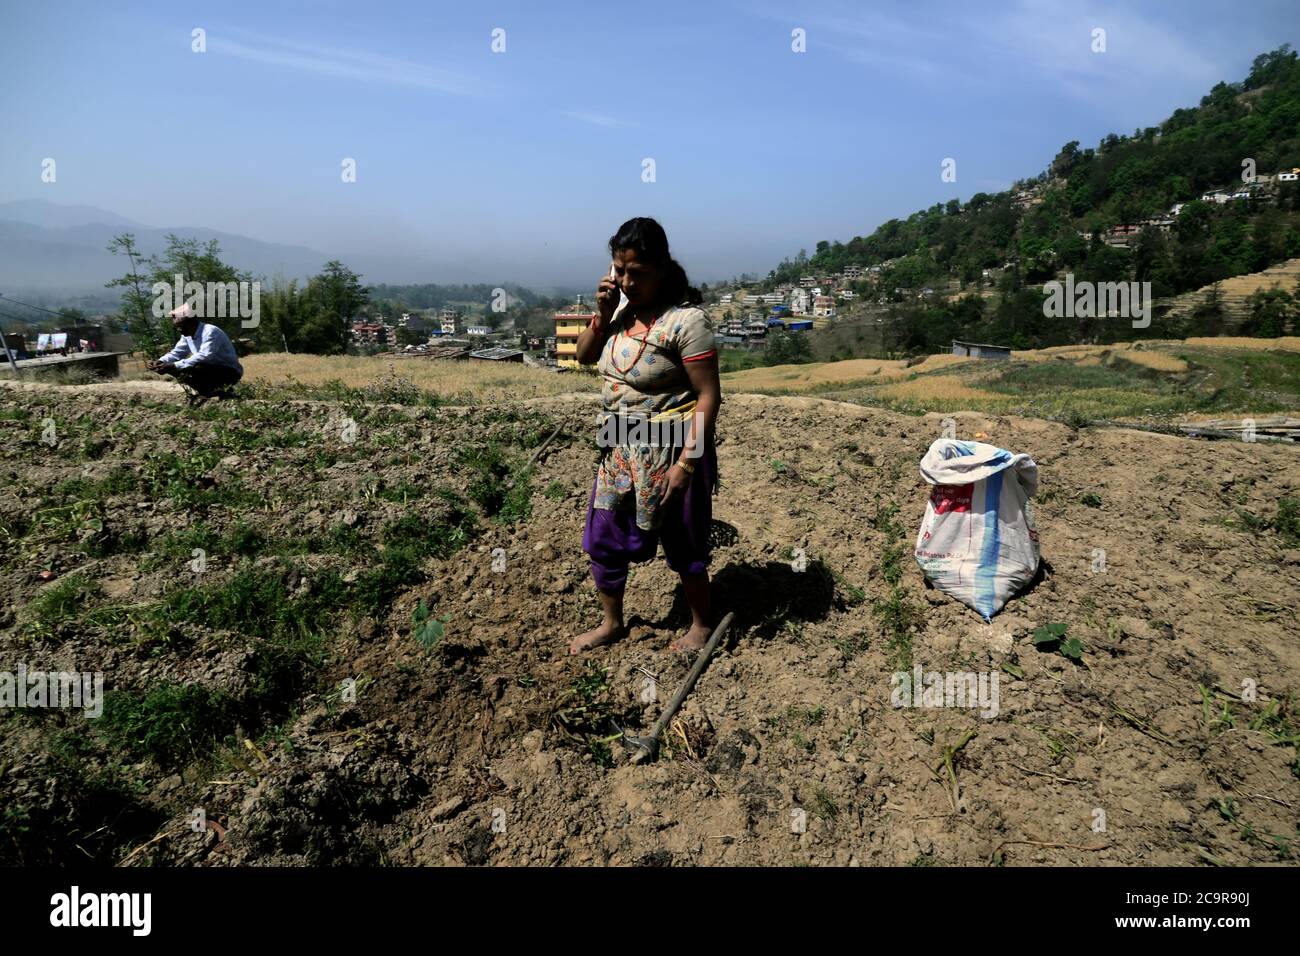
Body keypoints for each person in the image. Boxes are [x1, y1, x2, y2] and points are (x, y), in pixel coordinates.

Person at [569, 217, 723, 655]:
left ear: (662, 268)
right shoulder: (619, 314)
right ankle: (611, 621)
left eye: (636, 272)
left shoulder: (686, 322)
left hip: (672, 447)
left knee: (684, 538)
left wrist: (687, 464)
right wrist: (601, 315)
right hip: (618, 446)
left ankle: (701, 625)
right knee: (604, 537)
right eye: (619, 270)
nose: (626, 280)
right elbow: (582, 357)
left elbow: (708, 397)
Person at [146, 303, 244, 400]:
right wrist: (160, 361)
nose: (179, 330)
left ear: (192, 322)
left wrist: (174, 365)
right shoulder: (187, 335)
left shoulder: (210, 332)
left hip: (229, 371)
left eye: (181, 327)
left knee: (193, 366)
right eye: (177, 327)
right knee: (176, 368)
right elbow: (177, 353)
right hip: (210, 369)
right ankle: (207, 392)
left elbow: (204, 356)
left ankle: (214, 391)